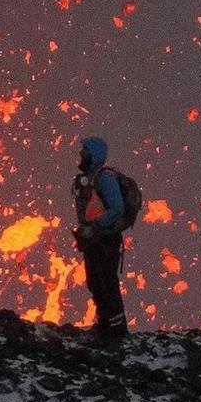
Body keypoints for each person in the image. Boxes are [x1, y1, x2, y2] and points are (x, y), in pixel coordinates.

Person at [71, 136, 128, 342]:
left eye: (84, 152)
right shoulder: (92, 178)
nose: (81, 156)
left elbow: (118, 208)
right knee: (95, 282)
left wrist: (95, 226)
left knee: (106, 282)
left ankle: (115, 329)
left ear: (93, 154)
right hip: (94, 241)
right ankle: (105, 325)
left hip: (106, 241)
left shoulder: (105, 178)